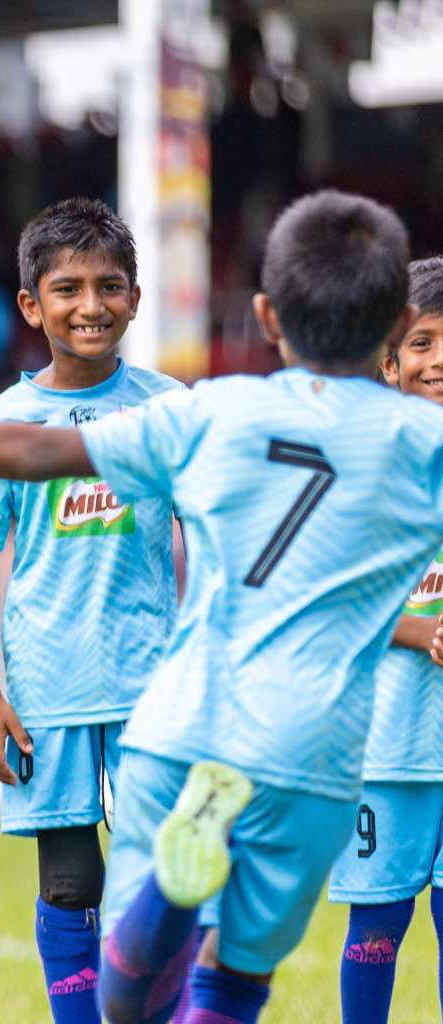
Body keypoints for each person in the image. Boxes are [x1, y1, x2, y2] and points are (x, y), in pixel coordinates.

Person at [0, 189, 443, 1024]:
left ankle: (167, 882)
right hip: (322, 749)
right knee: (234, 983)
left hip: (183, 726)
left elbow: (36, 446)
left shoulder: (209, 411)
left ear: (268, 316)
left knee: (128, 996)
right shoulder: (423, 443)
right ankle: (181, 888)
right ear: (394, 324)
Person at [0, 198, 182, 1024]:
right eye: (67, 289)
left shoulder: (170, 408)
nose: (91, 307)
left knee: (165, 877)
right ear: (31, 306)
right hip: (49, 690)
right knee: (71, 882)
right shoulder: (1, 423)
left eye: (109, 286)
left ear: (137, 298)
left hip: (157, 689)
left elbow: (217, 535)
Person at [326, 256, 443, 1023]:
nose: (439, 360)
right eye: (423, 342)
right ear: (390, 362)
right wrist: (417, 629)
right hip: (388, 743)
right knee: (377, 923)